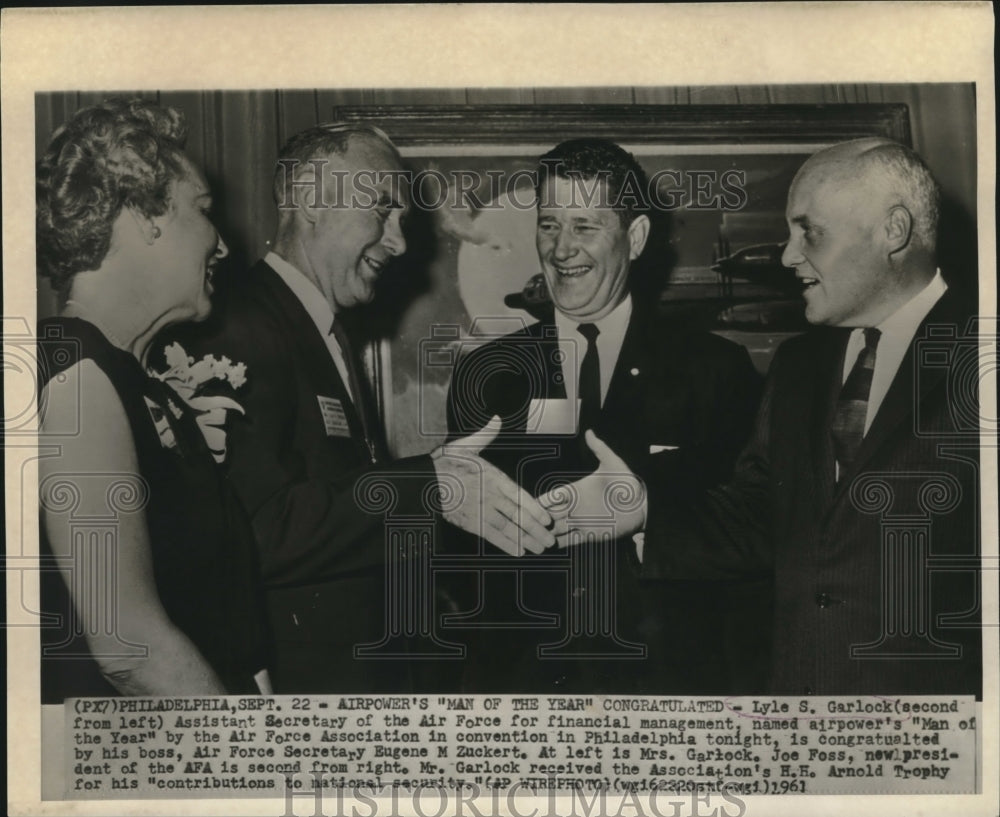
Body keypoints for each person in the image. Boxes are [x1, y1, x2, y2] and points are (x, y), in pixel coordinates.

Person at [546, 138, 982, 696]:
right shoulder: (800, 365)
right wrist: (642, 509)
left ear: (893, 231)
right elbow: (758, 517)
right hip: (800, 709)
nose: (787, 256)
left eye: (810, 233)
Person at [163, 123, 555, 693]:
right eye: (381, 210)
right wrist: (428, 487)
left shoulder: (318, 329)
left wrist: (435, 474)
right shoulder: (238, 330)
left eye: (403, 220)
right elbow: (253, 531)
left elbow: (329, 499)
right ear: (311, 199)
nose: (397, 242)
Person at [446, 138, 764, 693]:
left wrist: (647, 511)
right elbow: (463, 558)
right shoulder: (489, 374)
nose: (561, 249)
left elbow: (749, 531)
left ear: (635, 238)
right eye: (549, 225)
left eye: (585, 226)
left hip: (672, 685)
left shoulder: (718, 370)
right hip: (528, 689)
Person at [36, 98, 270, 699]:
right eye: (204, 210)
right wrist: (258, 771)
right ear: (144, 214)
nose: (221, 244)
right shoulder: (74, 374)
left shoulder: (140, 385)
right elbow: (129, 651)